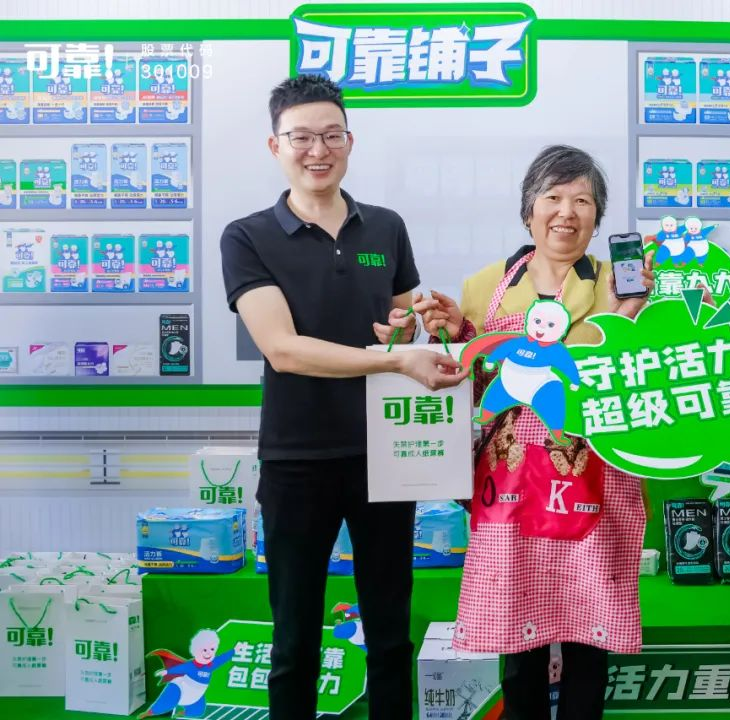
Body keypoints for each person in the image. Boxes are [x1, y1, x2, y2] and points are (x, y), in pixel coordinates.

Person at [219, 75, 466, 720]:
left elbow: (400, 325)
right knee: (294, 640)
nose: (318, 150)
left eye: (331, 135)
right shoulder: (246, 236)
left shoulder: (385, 226)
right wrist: (395, 356)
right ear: (276, 145)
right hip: (296, 459)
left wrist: (418, 328)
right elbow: (284, 349)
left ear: (349, 141)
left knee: (389, 633)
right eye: (302, 137)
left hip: (387, 455)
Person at [415, 145, 653, 719]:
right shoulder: (484, 285)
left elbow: (636, 387)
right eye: (553, 197)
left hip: (594, 483)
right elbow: (472, 385)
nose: (566, 212)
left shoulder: (623, 287)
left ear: (597, 218)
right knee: (517, 645)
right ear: (529, 212)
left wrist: (629, 315)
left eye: (583, 201)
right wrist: (455, 334)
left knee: (589, 639)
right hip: (510, 489)